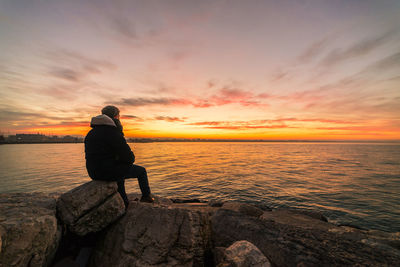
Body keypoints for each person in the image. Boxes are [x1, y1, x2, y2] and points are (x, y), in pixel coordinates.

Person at [84, 105, 154, 206]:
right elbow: (129, 158)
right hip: (107, 172)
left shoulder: (91, 133)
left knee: (119, 170)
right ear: (115, 117)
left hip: (93, 172)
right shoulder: (113, 132)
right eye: (118, 116)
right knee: (141, 171)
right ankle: (146, 197)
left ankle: (123, 201)